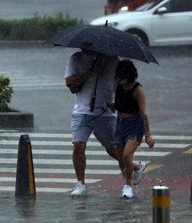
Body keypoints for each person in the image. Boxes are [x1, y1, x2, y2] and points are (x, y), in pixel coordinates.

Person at [64, 48, 120, 197]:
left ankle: (131, 173)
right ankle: (80, 184)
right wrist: (89, 74)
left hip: (104, 113)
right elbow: (69, 81)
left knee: (114, 150)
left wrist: (117, 103)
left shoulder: (113, 60)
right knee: (78, 145)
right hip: (82, 112)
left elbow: (118, 85)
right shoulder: (76, 58)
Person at [111, 59, 154, 199]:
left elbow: (143, 113)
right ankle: (137, 168)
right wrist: (107, 104)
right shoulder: (118, 87)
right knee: (120, 158)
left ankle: (128, 185)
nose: (120, 79)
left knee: (126, 155)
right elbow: (117, 106)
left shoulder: (138, 90)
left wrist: (148, 134)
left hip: (134, 125)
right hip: (120, 124)